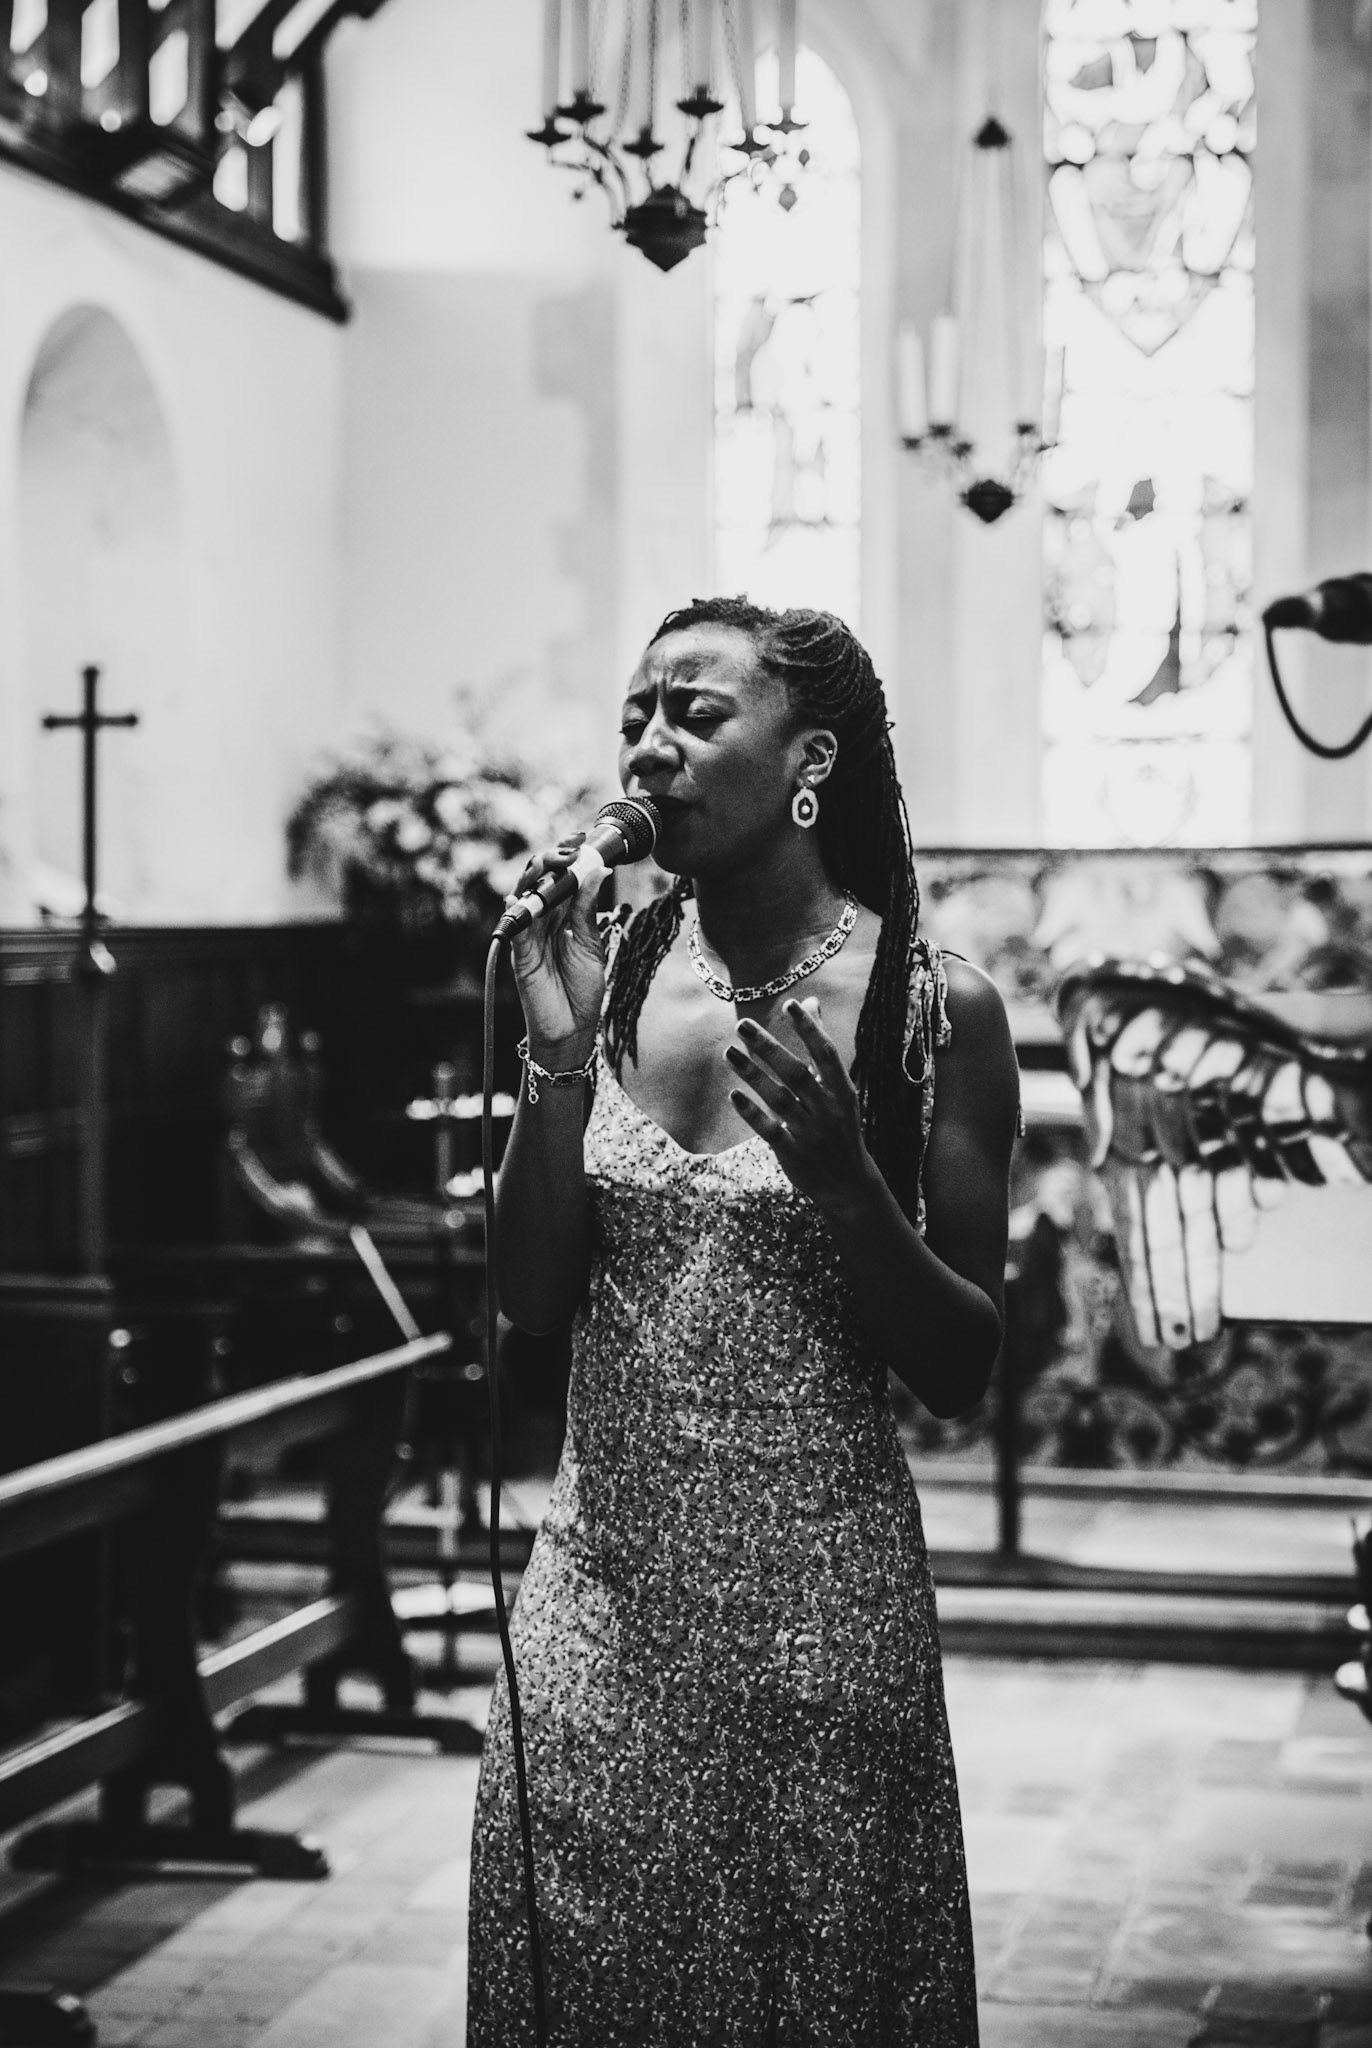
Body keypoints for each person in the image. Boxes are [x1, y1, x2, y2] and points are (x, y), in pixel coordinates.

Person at [467, 598, 1019, 2047]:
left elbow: (961, 1365)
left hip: (819, 1620)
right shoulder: (615, 980)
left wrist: (845, 1183)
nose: (650, 746)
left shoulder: (933, 1010)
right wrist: (557, 1062)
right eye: (637, 717)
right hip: (601, 1603)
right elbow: (534, 1300)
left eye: (697, 715)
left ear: (810, 759)